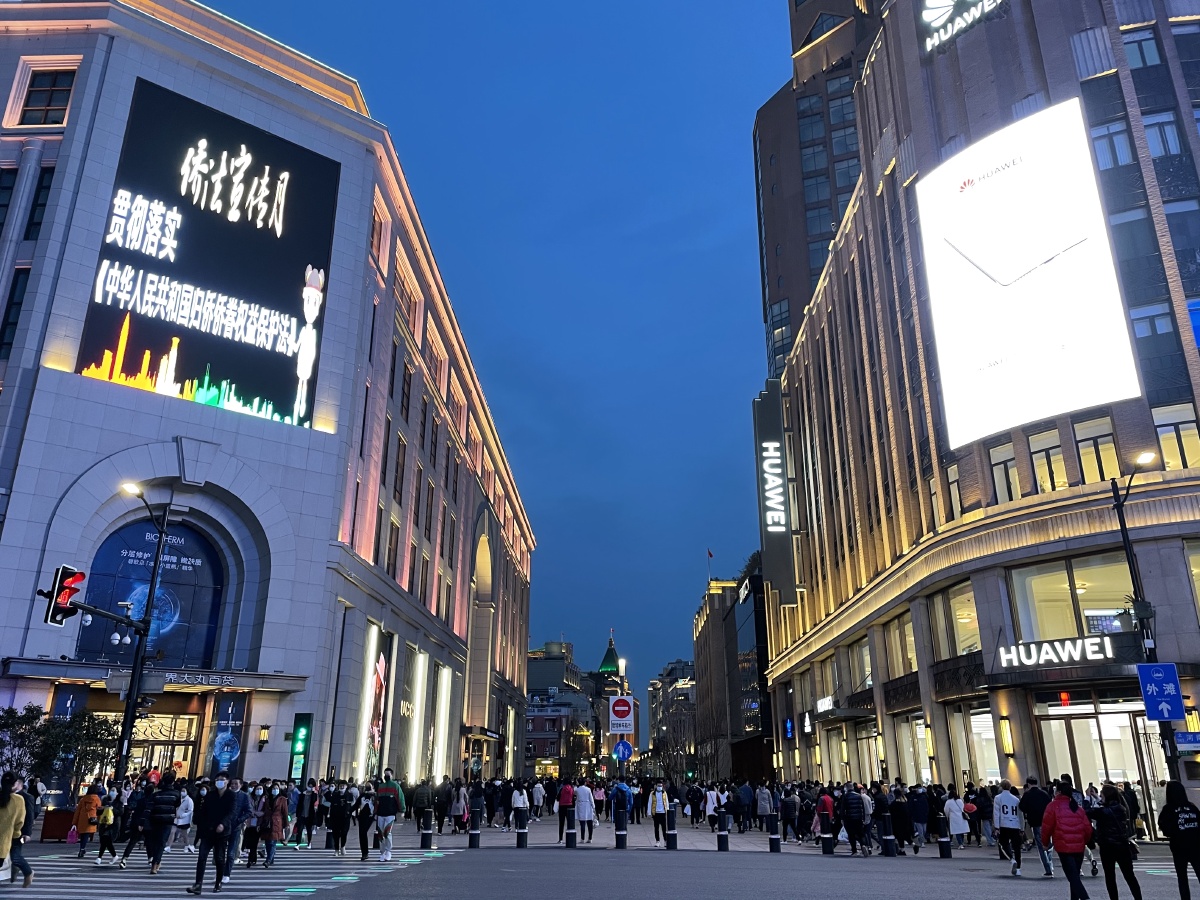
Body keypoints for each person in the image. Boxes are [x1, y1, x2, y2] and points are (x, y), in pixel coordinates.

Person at [1088, 784, 1142, 900]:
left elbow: (1089, 812)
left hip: (1107, 846)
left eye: (1102, 795)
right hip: (1122, 845)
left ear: (1106, 796)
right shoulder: (1121, 808)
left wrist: (1091, 799)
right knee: (1129, 875)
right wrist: (1097, 797)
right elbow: (1105, 807)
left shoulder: (1102, 812)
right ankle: (1138, 898)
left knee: (1110, 876)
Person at [1043, 779, 1093, 900]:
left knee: (1072, 877)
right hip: (1079, 846)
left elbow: (1046, 827)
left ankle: (1085, 898)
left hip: (1064, 846)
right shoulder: (1078, 808)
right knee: (1075, 876)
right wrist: (1084, 841)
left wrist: (1045, 843)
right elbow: (1088, 828)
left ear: (1059, 792)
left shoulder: (1053, 806)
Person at [187, 770, 236, 895]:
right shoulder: (210, 795)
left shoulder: (231, 795)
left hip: (222, 832)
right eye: (218, 779)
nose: (220, 782)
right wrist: (200, 824)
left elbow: (231, 812)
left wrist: (223, 824)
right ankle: (198, 884)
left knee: (219, 858)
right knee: (202, 857)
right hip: (207, 831)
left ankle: (218, 882)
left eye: (222, 780)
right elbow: (203, 812)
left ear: (227, 781)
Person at [1158, 780, 1200, 900]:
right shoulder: (1192, 807)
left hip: (1179, 846)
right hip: (1195, 845)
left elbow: (1164, 827)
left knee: (1182, 877)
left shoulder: (1168, 809)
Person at [1020, 776, 1055, 877]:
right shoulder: (1044, 794)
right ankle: (1050, 861)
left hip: (1035, 822)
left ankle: (1048, 868)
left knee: (1040, 846)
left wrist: (1029, 811)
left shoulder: (1027, 794)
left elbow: (1022, 807)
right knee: (1049, 843)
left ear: (1028, 784)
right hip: (1047, 822)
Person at [146, 772, 181, 875]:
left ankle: (155, 861)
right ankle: (155, 864)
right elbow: (177, 805)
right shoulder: (176, 794)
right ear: (173, 782)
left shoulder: (156, 794)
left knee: (155, 841)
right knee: (162, 842)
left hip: (155, 819)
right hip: (168, 820)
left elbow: (149, 808)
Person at [9, 775, 35, 888]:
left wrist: (27, 833)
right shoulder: (6, 796)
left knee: (15, 855)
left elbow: (30, 816)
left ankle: (28, 872)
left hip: (18, 832)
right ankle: (14, 869)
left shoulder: (26, 797)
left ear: (19, 784)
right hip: (6, 831)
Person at [995, 780, 1024, 876]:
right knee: (1017, 847)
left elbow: (996, 813)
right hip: (1015, 824)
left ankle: (1011, 859)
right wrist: (1022, 828)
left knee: (1003, 844)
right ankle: (1018, 868)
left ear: (1001, 787)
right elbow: (1020, 815)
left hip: (1004, 824)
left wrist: (996, 827)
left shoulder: (998, 798)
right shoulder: (1016, 799)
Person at [375, 768, 403, 862]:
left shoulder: (395, 786)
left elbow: (400, 798)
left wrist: (402, 810)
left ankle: (388, 851)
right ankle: (382, 852)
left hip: (390, 813)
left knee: (387, 832)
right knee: (380, 833)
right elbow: (377, 800)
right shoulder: (381, 786)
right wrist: (375, 811)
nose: (386, 775)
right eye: (385, 774)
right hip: (381, 813)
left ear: (391, 775)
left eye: (388, 774)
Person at [0, 774, 25, 881]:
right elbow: (19, 822)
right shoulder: (18, 800)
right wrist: (16, 834)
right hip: (3, 843)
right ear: (15, 784)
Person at [71, 784, 102, 858]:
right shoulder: (97, 799)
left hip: (82, 819)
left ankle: (82, 848)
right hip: (92, 819)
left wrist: (74, 822)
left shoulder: (83, 799)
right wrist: (100, 820)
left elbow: (77, 811)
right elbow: (99, 810)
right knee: (86, 835)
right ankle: (82, 849)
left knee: (83, 835)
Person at [263, 782, 289, 869]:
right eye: (274, 788)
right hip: (267, 821)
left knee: (272, 842)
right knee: (267, 842)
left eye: (277, 788)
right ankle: (271, 858)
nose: (275, 790)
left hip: (277, 822)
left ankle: (268, 860)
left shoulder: (282, 799)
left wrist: (286, 824)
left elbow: (285, 812)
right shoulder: (267, 799)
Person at [327, 780, 352, 856]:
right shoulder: (335, 795)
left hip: (345, 817)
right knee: (336, 834)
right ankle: (336, 849)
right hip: (336, 817)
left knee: (344, 833)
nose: (342, 786)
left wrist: (350, 814)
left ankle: (343, 846)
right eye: (340, 785)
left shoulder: (349, 795)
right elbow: (331, 805)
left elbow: (351, 805)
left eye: (343, 785)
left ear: (346, 786)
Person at [244, 782, 266, 868]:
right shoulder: (250, 797)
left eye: (260, 789)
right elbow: (248, 808)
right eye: (257, 789)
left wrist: (258, 813)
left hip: (260, 822)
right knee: (251, 842)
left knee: (255, 842)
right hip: (251, 822)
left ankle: (252, 859)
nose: (259, 790)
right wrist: (252, 813)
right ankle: (252, 859)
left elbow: (266, 811)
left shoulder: (265, 799)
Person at [95, 789, 119, 864]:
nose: (112, 792)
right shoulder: (105, 800)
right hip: (104, 823)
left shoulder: (119, 802)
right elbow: (98, 812)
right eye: (111, 790)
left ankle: (99, 858)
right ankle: (114, 855)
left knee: (105, 840)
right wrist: (102, 808)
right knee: (106, 842)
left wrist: (113, 809)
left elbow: (120, 812)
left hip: (112, 824)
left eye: (114, 791)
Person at [172, 783, 195, 853]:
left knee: (184, 834)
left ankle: (187, 846)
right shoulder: (179, 799)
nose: (182, 792)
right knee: (172, 831)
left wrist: (183, 815)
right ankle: (168, 846)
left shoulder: (189, 800)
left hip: (185, 819)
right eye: (181, 791)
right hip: (177, 818)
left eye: (184, 791)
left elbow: (190, 810)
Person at [647, 780, 670, 847]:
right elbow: (650, 803)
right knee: (656, 827)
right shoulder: (652, 793)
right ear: (656, 786)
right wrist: (649, 812)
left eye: (660, 785)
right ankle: (657, 841)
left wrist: (667, 810)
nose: (659, 787)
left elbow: (666, 802)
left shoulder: (664, 793)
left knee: (664, 828)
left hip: (663, 812)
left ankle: (665, 841)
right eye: (658, 785)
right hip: (656, 812)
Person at [908, 785, 928, 853]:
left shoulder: (924, 797)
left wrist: (926, 813)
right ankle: (922, 842)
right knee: (920, 831)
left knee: (924, 830)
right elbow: (911, 807)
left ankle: (921, 840)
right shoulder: (913, 797)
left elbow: (926, 806)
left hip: (924, 817)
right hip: (917, 817)